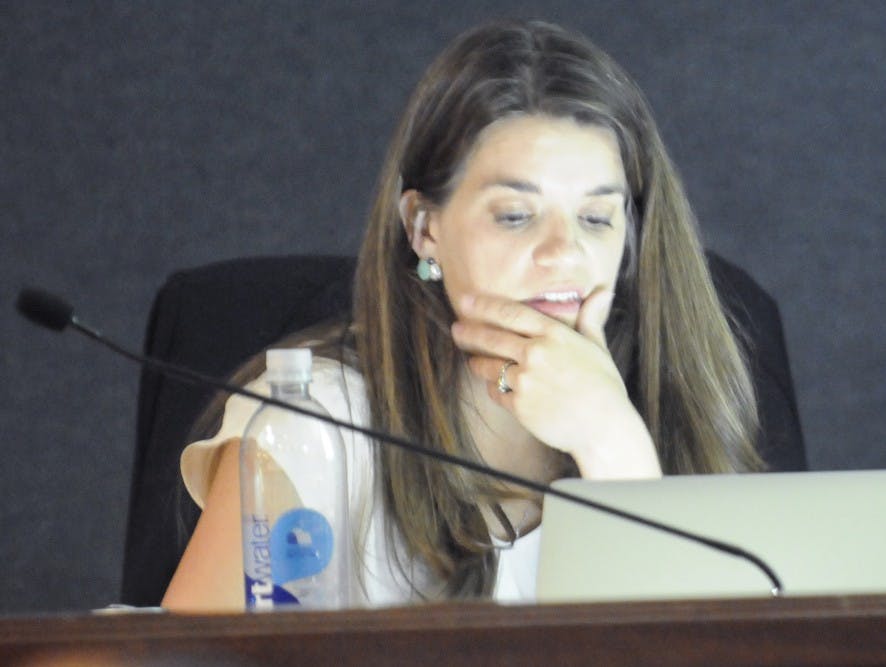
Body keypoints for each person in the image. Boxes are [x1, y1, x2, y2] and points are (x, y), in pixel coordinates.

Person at [161, 19, 766, 611]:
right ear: (425, 229)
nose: (564, 253)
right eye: (515, 215)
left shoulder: (678, 404)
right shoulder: (310, 424)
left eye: (595, 218)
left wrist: (613, 444)